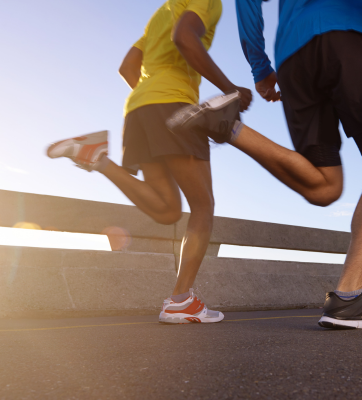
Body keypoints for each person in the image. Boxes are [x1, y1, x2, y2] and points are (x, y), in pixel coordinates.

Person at [169, 0, 362, 329]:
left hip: (294, 57)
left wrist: (260, 67)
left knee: (325, 185)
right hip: (350, 34)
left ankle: (230, 128)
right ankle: (347, 299)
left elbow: (247, 3)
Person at [46, 0, 252, 324]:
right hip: (173, 105)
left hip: (139, 109)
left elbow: (128, 66)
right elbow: (185, 38)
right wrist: (230, 90)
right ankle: (182, 300)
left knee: (168, 209)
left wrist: (151, 98)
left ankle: (100, 160)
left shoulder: (161, 12)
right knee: (203, 206)